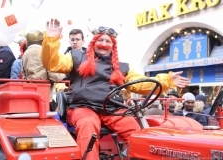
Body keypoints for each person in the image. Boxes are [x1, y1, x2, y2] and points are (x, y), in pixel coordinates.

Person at [41, 18, 190, 159]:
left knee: (135, 130)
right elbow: (53, 63)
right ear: (94, 42)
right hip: (83, 108)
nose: (104, 44)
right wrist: (51, 41)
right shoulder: (76, 57)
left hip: (112, 109)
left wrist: (167, 80)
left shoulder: (122, 67)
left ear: (113, 45)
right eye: (100, 40)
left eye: (108, 41)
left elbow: (140, 83)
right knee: (88, 125)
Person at [22, 30, 65, 111]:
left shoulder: (26, 53)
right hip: (44, 96)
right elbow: (56, 76)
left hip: (29, 94)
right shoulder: (45, 52)